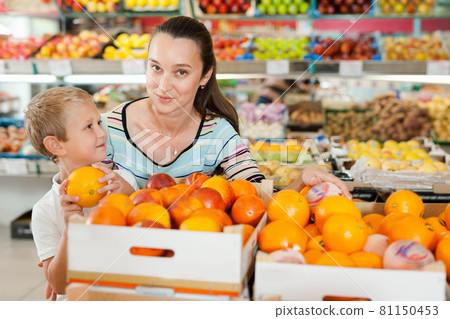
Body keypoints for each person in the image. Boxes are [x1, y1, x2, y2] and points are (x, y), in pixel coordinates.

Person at [102, 16, 351, 198]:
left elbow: (255, 197)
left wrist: (300, 180)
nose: (163, 85)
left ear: (204, 76)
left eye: (181, 72)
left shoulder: (218, 134)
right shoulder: (108, 127)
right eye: (156, 68)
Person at [24, 87, 139, 299]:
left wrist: (128, 196)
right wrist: (70, 230)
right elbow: (58, 285)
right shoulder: (46, 210)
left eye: (99, 123)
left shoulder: (123, 182)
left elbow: (146, 243)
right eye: (88, 127)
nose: (101, 132)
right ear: (56, 145)